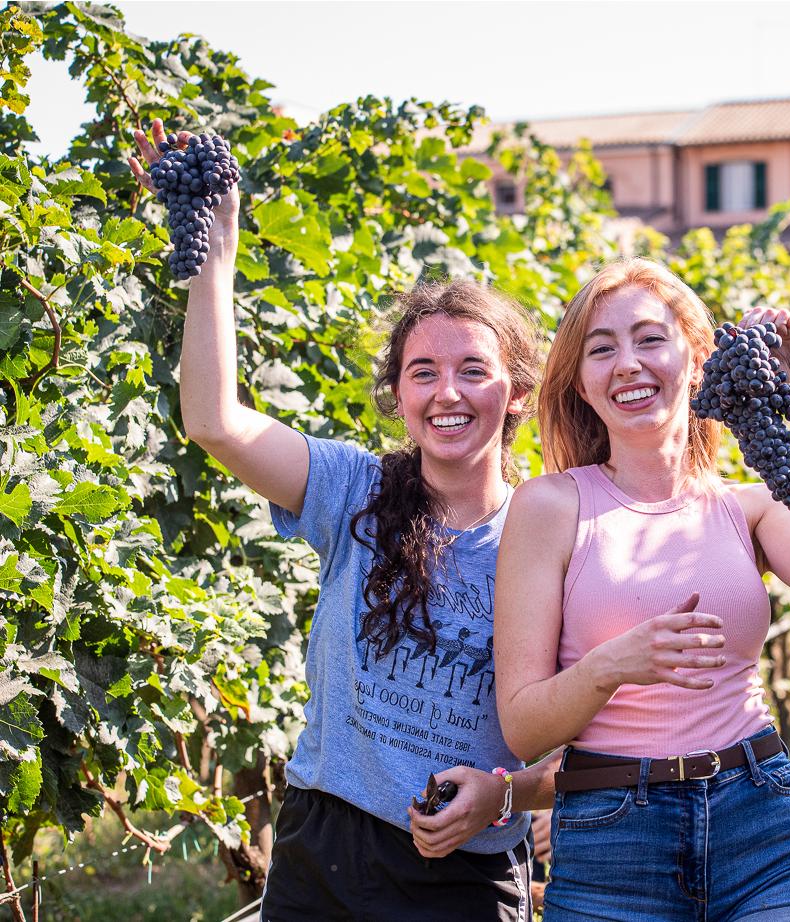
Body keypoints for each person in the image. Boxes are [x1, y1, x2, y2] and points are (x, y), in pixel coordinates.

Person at [129, 120, 556, 922]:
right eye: (422, 372)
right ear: (398, 395)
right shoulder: (353, 489)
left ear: (519, 394)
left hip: (459, 875)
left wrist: (504, 794)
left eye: (474, 371)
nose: (447, 393)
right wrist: (214, 253)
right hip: (321, 849)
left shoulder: (550, 535)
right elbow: (216, 422)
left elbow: (599, 751)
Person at [494, 258, 790, 921]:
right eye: (601, 349)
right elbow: (523, 726)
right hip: (614, 839)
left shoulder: (746, 507)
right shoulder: (551, 507)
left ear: (696, 359)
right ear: (582, 384)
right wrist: (616, 665)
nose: (627, 364)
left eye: (650, 339)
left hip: (762, 816)